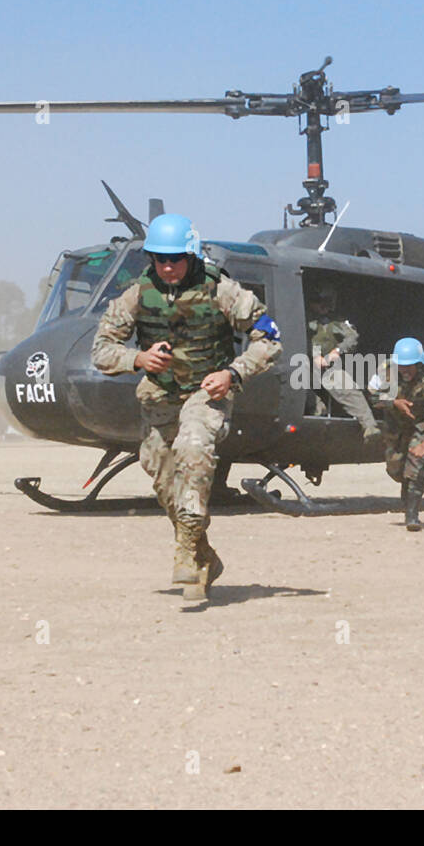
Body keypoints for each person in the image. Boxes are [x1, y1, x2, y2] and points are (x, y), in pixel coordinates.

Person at [90, 213, 281, 603]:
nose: (167, 267)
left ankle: (185, 551)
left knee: (193, 449)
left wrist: (233, 372)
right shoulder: (137, 295)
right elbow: (101, 350)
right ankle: (204, 556)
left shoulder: (223, 291)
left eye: (175, 259)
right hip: (160, 398)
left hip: (206, 394)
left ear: (190, 255)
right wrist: (138, 360)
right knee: (164, 478)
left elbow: (270, 340)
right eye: (159, 259)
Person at [381, 337, 424, 531]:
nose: (405, 370)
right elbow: (372, 394)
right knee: (395, 469)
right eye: (401, 365)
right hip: (396, 427)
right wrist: (393, 402)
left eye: (409, 366)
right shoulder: (386, 371)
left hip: (421, 427)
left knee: (416, 466)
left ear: (419, 363)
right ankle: (408, 483)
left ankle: (412, 515)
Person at [306, 283, 381, 444]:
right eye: (320, 302)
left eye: (327, 303)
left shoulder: (336, 322)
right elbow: (300, 337)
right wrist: (315, 355)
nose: (324, 307)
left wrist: (337, 351)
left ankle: (369, 426)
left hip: (327, 365)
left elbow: (352, 338)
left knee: (345, 386)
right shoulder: (303, 317)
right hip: (304, 365)